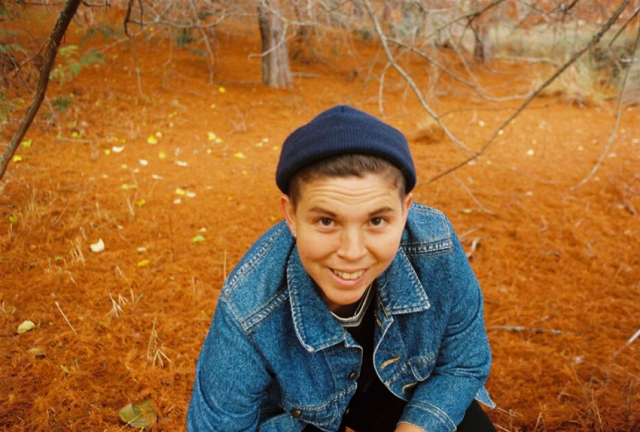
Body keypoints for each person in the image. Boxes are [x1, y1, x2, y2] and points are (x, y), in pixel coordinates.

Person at [188, 105, 496, 432]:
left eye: (377, 221)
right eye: (326, 221)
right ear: (291, 215)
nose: (351, 252)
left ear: (405, 211)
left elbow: (463, 364)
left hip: (394, 390)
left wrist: (416, 427)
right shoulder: (249, 306)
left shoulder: (435, 245)